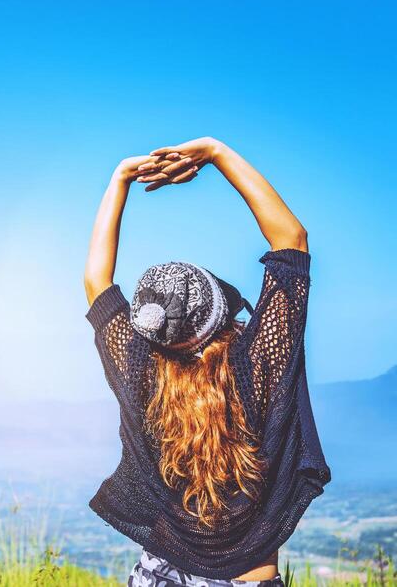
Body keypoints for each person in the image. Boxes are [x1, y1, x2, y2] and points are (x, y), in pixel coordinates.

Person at [83, 137, 330, 587]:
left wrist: (120, 177)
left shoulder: (141, 374)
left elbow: (97, 280)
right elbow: (291, 238)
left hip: (157, 573)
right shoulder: (256, 368)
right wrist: (216, 152)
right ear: (220, 310)